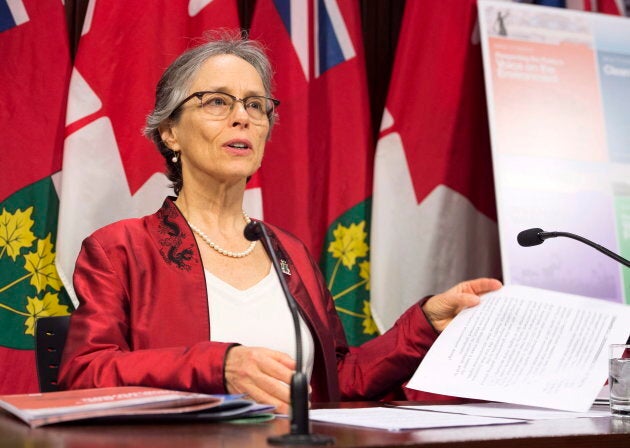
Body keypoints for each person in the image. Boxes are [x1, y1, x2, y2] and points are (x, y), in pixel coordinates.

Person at [59, 32, 502, 414]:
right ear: (170, 132)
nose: (243, 117)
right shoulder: (121, 248)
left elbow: (338, 379)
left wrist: (425, 323)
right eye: (217, 101)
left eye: (256, 105)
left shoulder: (288, 253)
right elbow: (83, 372)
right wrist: (220, 366)